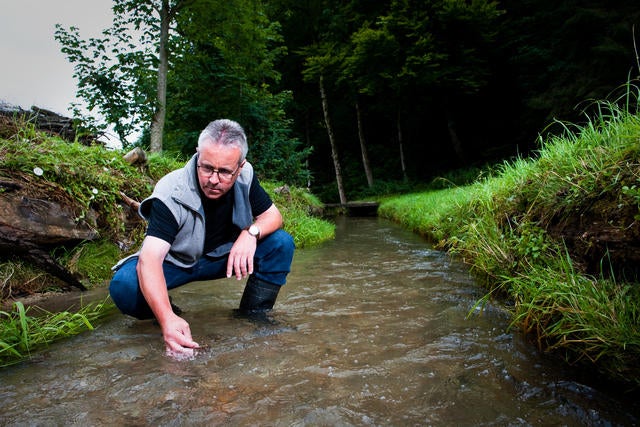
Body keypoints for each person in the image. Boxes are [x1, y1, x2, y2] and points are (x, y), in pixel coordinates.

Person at [109, 119, 295, 357]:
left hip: (223, 257)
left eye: (225, 171)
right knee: (125, 285)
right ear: (197, 155)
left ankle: (253, 317)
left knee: (280, 243)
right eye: (206, 167)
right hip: (175, 263)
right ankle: (168, 317)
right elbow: (150, 259)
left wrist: (250, 233)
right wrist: (167, 319)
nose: (214, 179)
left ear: (240, 167)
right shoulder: (170, 191)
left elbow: (273, 216)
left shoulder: (246, 176)